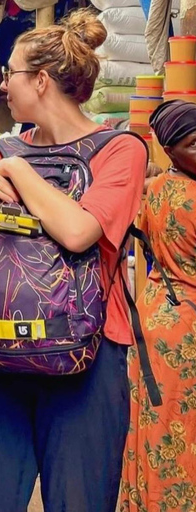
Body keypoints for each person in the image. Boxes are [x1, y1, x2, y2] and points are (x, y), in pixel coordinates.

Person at [0, 11, 146, 512]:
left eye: (9, 73)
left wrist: (18, 170)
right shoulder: (1, 149)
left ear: (39, 81)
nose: (1, 84)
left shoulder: (120, 151)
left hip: (87, 359)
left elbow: (80, 231)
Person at [121, 100, 196, 512]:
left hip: (153, 315)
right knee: (181, 433)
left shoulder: (155, 188)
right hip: (185, 329)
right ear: (170, 148)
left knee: (154, 426)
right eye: (194, 144)